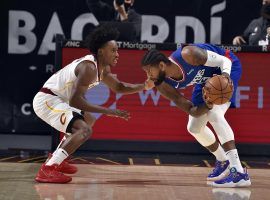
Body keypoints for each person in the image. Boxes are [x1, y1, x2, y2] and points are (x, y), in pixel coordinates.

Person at [32, 25, 153, 184]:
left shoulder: (103, 69)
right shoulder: (89, 67)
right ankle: (47, 170)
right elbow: (76, 100)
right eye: (113, 50)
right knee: (84, 129)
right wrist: (108, 111)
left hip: (61, 99)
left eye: (117, 50)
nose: (117, 54)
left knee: (89, 119)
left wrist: (144, 86)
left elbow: (119, 87)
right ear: (101, 52)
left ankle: (56, 159)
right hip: (47, 100)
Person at [141, 44, 251, 187]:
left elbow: (225, 61)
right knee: (194, 127)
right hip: (205, 81)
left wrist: (224, 79)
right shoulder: (162, 85)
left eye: (149, 71)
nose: (148, 76)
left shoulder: (188, 54)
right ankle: (224, 161)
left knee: (214, 115)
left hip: (226, 67)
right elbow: (192, 110)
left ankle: (238, 172)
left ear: (161, 65)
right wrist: (207, 104)